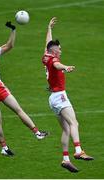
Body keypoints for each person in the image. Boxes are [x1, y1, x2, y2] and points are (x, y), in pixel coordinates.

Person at [0, 21, 48, 157]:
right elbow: (10, 45)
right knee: (18, 110)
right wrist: (13, 30)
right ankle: (37, 133)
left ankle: (4, 148)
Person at [42, 17, 94, 172]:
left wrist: (49, 28)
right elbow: (57, 65)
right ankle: (78, 151)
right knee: (74, 123)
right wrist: (65, 67)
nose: (61, 50)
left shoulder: (46, 56)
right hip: (59, 96)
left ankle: (65, 160)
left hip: (52, 99)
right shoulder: (54, 60)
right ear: (54, 51)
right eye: (59, 48)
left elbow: (47, 45)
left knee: (66, 129)